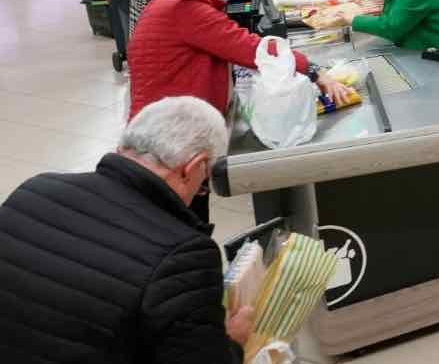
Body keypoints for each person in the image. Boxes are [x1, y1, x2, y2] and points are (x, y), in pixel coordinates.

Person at [0, 96, 254, 363]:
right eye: (203, 184)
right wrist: (232, 343)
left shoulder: (36, 189)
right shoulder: (185, 255)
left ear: (124, 145)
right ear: (192, 168)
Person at [127, 0, 349, 222]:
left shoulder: (167, 2)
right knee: (183, 227)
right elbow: (250, 48)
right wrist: (316, 72)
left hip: (161, 137)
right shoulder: (185, 8)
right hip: (170, 147)